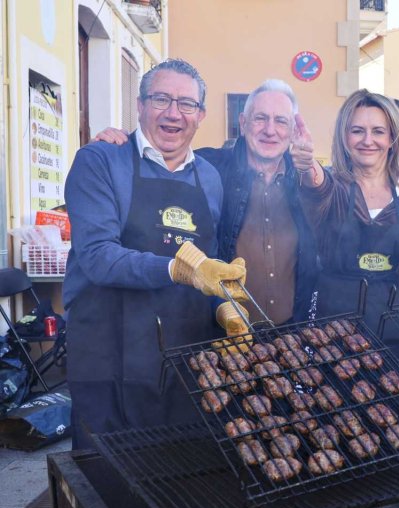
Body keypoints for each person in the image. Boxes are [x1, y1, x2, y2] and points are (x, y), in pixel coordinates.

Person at [64, 59, 247, 448]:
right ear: (140, 104)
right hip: (108, 355)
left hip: (182, 358)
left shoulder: (209, 178)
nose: (173, 113)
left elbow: (210, 262)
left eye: (186, 104)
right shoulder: (100, 161)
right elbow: (97, 256)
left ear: (201, 114)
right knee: (105, 473)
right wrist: (179, 270)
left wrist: (225, 307)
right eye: (161, 99)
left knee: (178, 468)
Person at [93, 80, 320, 327]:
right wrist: (124, 145)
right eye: (260, 118)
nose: (270, 130)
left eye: (281, 121)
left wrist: (311, 167)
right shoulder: (207, 168)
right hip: (221, 329)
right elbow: (159, 158)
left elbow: (333, 200)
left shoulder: (306, 180)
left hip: (292, 330)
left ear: (293, 130)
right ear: (243, 123)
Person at [299, 89, 399, 330]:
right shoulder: (333, 190)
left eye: (378, 131)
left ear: (392, 138)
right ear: (344, 137)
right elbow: (315, 185)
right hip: (334, 329)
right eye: (357, 131)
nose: (368, 141)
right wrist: (306, 164)